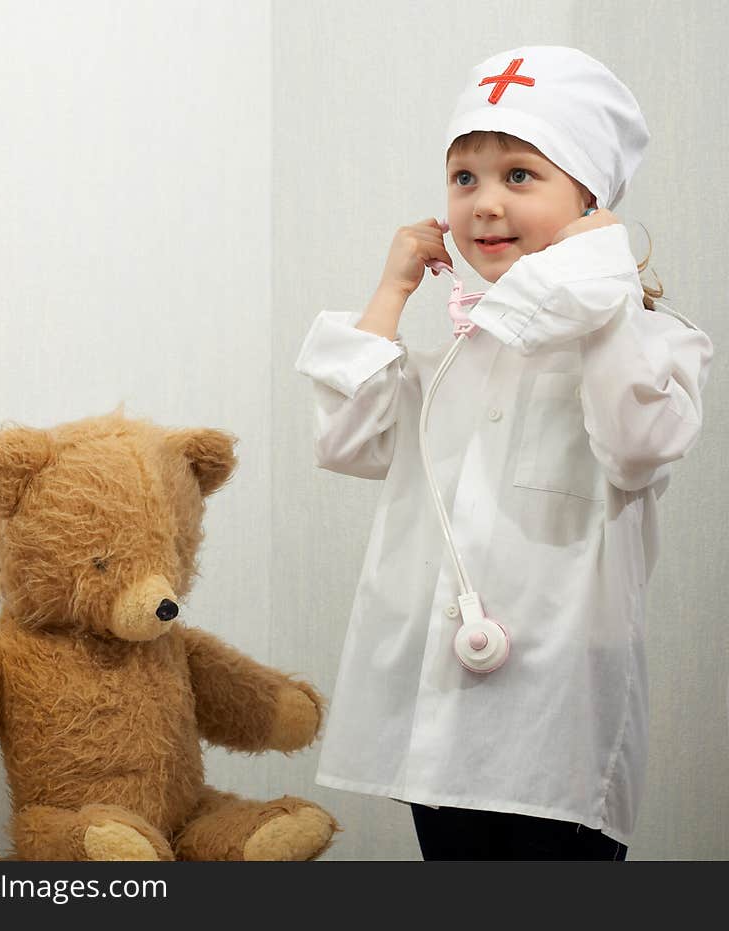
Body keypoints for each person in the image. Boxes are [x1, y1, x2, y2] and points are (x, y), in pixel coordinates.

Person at [294, 46, 713, 860]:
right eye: (464, 179)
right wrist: (392, 289)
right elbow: (344, 439)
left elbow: (634, 445)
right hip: (437, 715)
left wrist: (602, 284)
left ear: (592, 203)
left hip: (554, 719)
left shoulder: (656, 345)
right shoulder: (449, 356)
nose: (484, 203)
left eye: (519, 175)